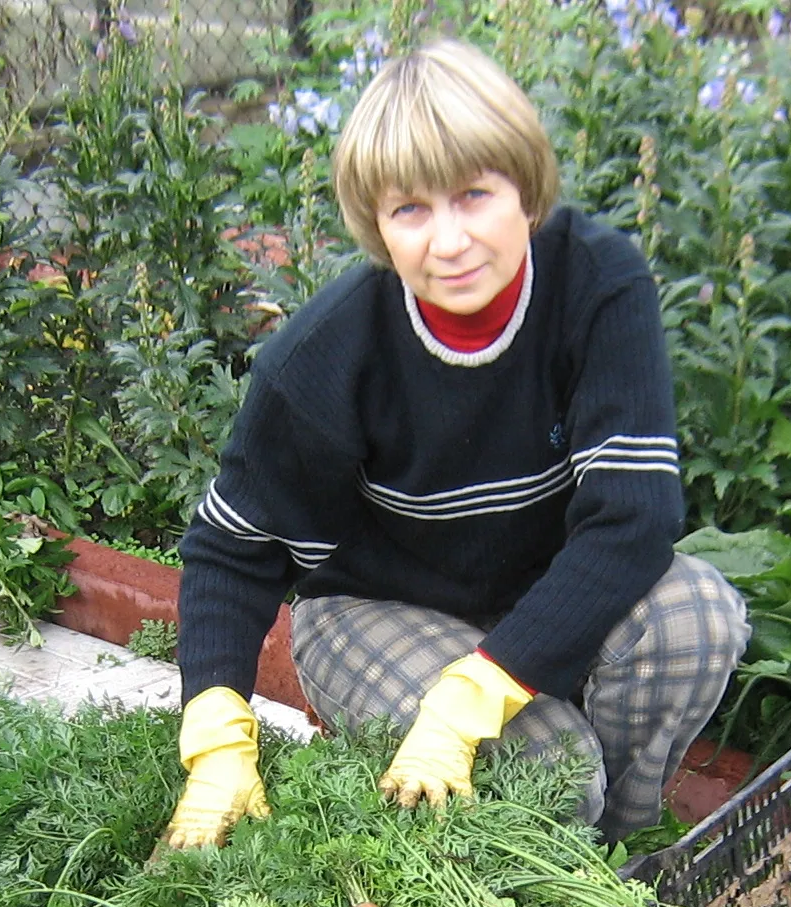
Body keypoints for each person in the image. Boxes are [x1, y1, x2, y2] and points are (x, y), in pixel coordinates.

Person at [162, 38, 749, 850]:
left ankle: (618, 862)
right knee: (552, 770)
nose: (448, 241)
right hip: (374, 611)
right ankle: (551, 836)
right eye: (411, 210)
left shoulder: (597, 284)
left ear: (526, 191)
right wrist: (218, 739)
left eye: (474, 195)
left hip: (536, 596)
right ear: (377, 223)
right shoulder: (328, 356)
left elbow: (634, 520)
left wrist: (474, 695)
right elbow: (234, 551)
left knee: (695, 618)